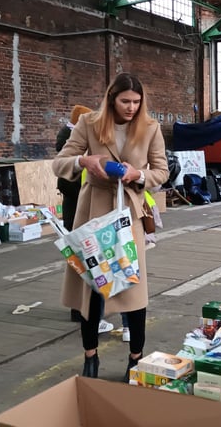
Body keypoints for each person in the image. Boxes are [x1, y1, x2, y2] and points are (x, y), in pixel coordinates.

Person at [52, 73, 168, 381]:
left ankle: (135, 359)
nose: (131, 107)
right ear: (111, 98)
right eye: (125, 101)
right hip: (93, 213)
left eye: (136, 102)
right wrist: (83, 163)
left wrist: (137, 174)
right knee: (92, 289)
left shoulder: (151, 128)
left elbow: (161, 171)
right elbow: (60, 162)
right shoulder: (89, 123)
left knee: (133, 289)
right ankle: (91, 357)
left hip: (129, 214)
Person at [56, 105, 115, 335]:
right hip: (79, 204)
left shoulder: (67, 137)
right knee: (86, 258)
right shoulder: (72, 142)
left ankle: (82, 310)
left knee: (83, 256)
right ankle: (84, 312)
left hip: (78, 202)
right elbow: (67, 175)